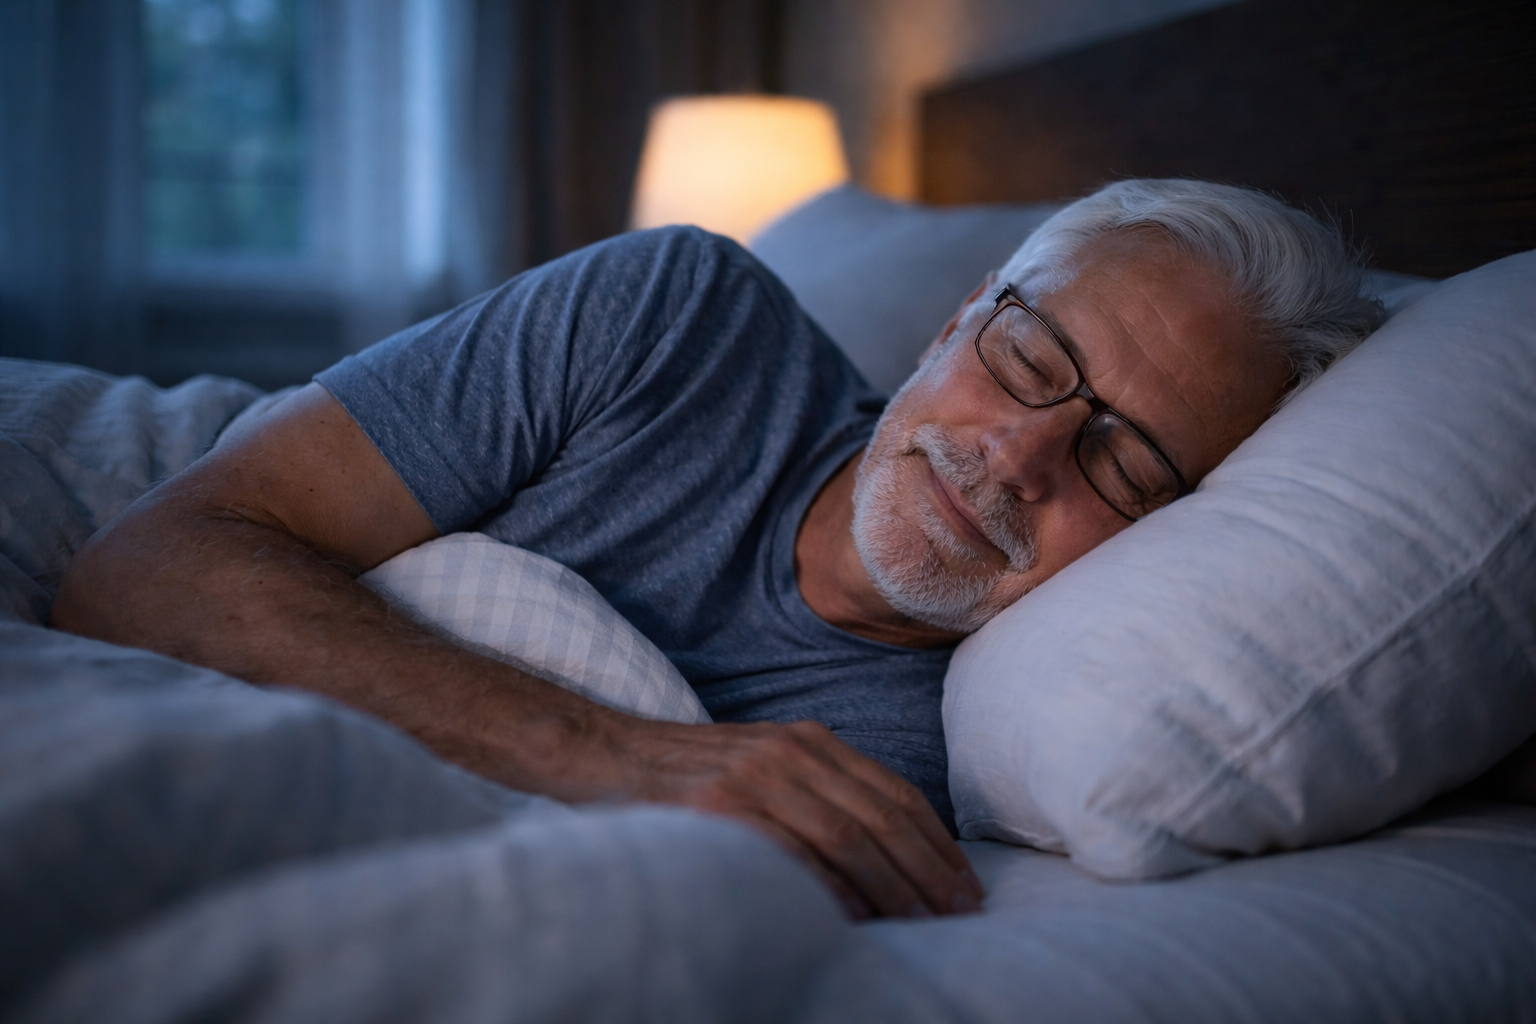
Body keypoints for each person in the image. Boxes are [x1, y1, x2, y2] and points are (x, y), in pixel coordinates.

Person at [51, 179, 1381, 920]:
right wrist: (613, 752)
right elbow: (138, 563)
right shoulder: (672, 315)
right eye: (1029, 358)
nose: (1024, 458)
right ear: (955, 318)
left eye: (1127, 464)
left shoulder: (922, 767)